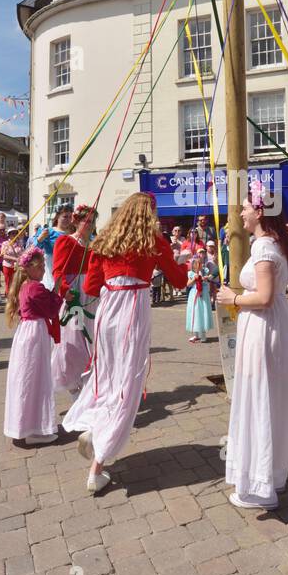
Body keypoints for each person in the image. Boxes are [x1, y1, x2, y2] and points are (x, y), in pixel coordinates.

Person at [63, 193, 187, 493]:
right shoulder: (153, 242)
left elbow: (92, 286)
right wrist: (183, 266)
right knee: (127, 385)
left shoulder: (104, 240)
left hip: (107, 311)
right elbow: (179, 282)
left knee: (104, 378)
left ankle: (94, 426)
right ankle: (99, 459)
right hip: (133, 310)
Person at [215, 189, 288, 511]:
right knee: (265, 397)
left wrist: (231, 299)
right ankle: (265, 475)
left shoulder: (264, 247)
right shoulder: (272, 243)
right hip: (269, 325)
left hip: (263, 327)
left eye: (247, 207)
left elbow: (263, 297)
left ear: (261, 212)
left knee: (258, 397)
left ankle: (259, 486)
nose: (242, 213)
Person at [4, 247, 64, 447]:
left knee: (27, 378)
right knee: (35, 378)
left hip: (28, 332)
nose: (43, 271)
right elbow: (51, 309)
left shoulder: (26, 286)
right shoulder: (35, 288)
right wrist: (58, 293)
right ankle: (34, 428)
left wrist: (55, 292)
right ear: (29, 269)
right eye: (40, 268)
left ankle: (26, 424)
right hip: (34, 333)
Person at [51, 205, 98, 393]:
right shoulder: (66, 242)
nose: (90, 225)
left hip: (93, 293)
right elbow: (58, 270)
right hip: (75, 292)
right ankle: (74, 382)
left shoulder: (95, 244)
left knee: (92, 336)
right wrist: (64, 290)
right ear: (76, 221)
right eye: (87, 221)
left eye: (93, 221)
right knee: (74, 338)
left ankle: (91, 378)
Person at [185, 251, 215, 344]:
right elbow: (188, 284)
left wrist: (206, 278)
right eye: (197, 263)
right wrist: (194, 279)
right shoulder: (190, 273)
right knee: (195, 312)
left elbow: (210, 280)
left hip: (204, 294)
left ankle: (203, 334)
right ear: (193, 265)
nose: (199, 265)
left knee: (203, 312)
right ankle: (196, 334)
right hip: (194, 294)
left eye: (201, 263)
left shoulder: (205, 271)